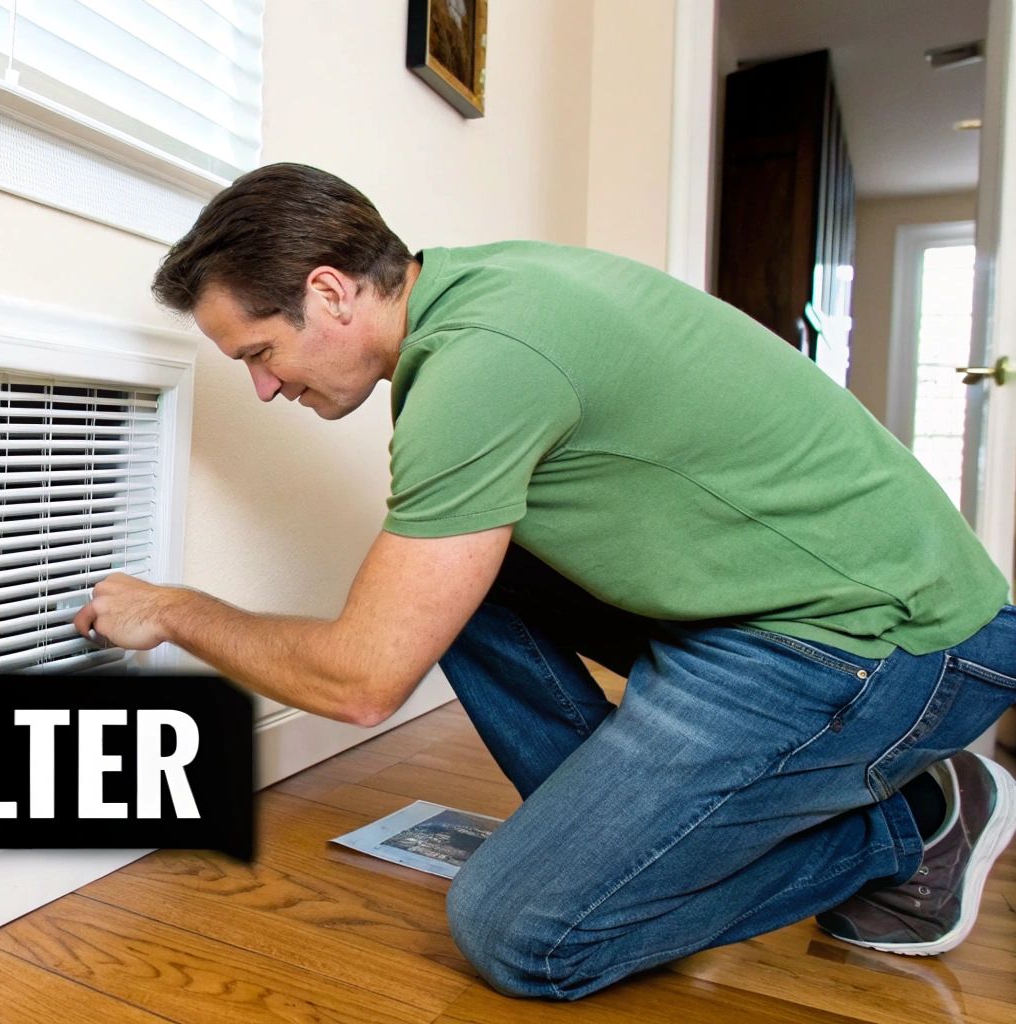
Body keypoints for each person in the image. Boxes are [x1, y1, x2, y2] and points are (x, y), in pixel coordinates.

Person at [71, 162, 1016, 1000]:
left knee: (522, 935)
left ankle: (918, 826)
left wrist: (177, 611)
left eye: (259, 353)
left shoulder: (484, 366)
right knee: (449, 570)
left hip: (889, 645)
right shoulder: (479, 295)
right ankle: (625, 847)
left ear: (330, 292)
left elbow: (360, 683)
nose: (264, 388)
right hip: (787, 607)